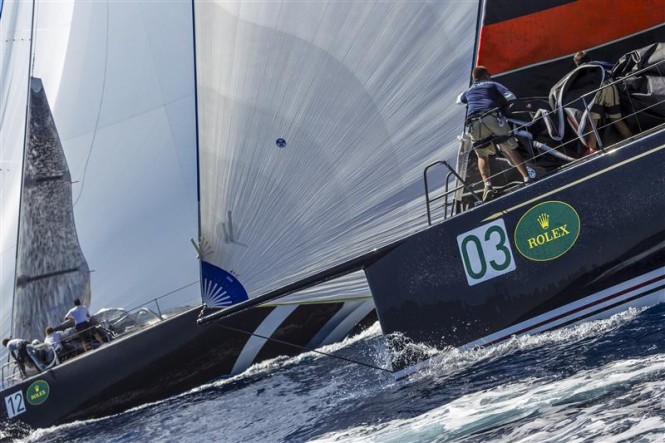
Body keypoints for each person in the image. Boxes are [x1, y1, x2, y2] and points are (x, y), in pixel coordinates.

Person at [457, 66, 532, 201]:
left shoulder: (468, 91)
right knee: (510, 148)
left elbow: (458, 101)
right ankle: (527, 178)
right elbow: (511, 96)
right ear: (485, 75)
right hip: (491, 116)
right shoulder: (492, 84)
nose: (491, 75)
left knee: (482, 155)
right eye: (489, 73)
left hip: (473, 123)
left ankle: (488, 186)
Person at [573, 51, 632, 153]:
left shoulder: (579, 71)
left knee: (593, 121)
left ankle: (592, 148)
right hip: (609, 85)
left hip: (596, 91)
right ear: (590, 59)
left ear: (576, 64)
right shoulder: (598, 63)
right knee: (616, 118)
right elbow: (613, 67)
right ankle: (631, 139)